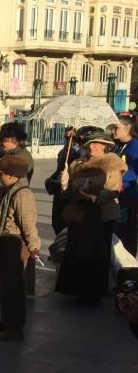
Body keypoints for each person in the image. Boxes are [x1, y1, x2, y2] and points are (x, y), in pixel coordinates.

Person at [56, 127, 126, 303]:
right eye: (89, 144)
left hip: (100, 217)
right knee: (76, 253)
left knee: (96, 255)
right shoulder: (77, 164)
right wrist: (65, 183)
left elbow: (113, 191)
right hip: (79, 215)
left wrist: (95, 197)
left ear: (104, 146)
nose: (92, 147)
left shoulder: (111, 164)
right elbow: (70, 191)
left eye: (96, 144)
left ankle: (93, 293)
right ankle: (76, 290)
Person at [0, 155, 41, 341]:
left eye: (2, 174)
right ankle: (6, 321)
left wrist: (34, 247)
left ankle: (15, 328)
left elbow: (28, 224)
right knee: (5, 286)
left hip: (15, 243)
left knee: (14, 288)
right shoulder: (9, 190)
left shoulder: (22, 194)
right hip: (5, 241)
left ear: (12, 176)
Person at [45, 126, 86, 235]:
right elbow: (58, 170)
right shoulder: (63, 151)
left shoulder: (80, 152)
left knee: (65, 224)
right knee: (56, 222)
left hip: (69, 191)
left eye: (72, 137)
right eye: (66, 137)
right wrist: (51, 179)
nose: (68, 139)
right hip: (59, 191)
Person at [112, 114, 138, 254]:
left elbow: (135, 169)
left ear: (127, 128)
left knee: (126, 232)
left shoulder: (134, 146)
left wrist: (119, 176)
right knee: (117, 230)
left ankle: (129, 264)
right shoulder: (116, 146)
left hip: (128, 196)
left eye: (116, 127)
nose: (113, 131)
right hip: (116, 195)